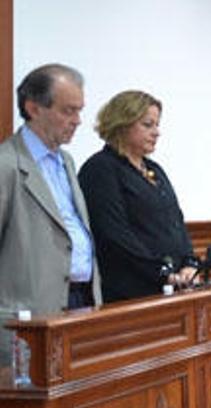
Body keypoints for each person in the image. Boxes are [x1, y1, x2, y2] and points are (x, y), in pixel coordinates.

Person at [0, 64, 99, 367]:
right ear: (33, 108)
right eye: (68, 111)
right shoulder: (7, 165)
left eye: (79, 111)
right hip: (31, 316)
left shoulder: (66, 161)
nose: (77, 121)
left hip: (82, 303)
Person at [78, 90, 199, 304]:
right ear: (122, 124)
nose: (157, 132)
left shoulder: (154, 169)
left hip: (173, 287)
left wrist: (190, 262)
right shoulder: (100, 169)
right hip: (130, 293)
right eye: (148, 124)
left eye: (157, 124)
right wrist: (161, 273)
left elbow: (176, 222)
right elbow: (114, 234)